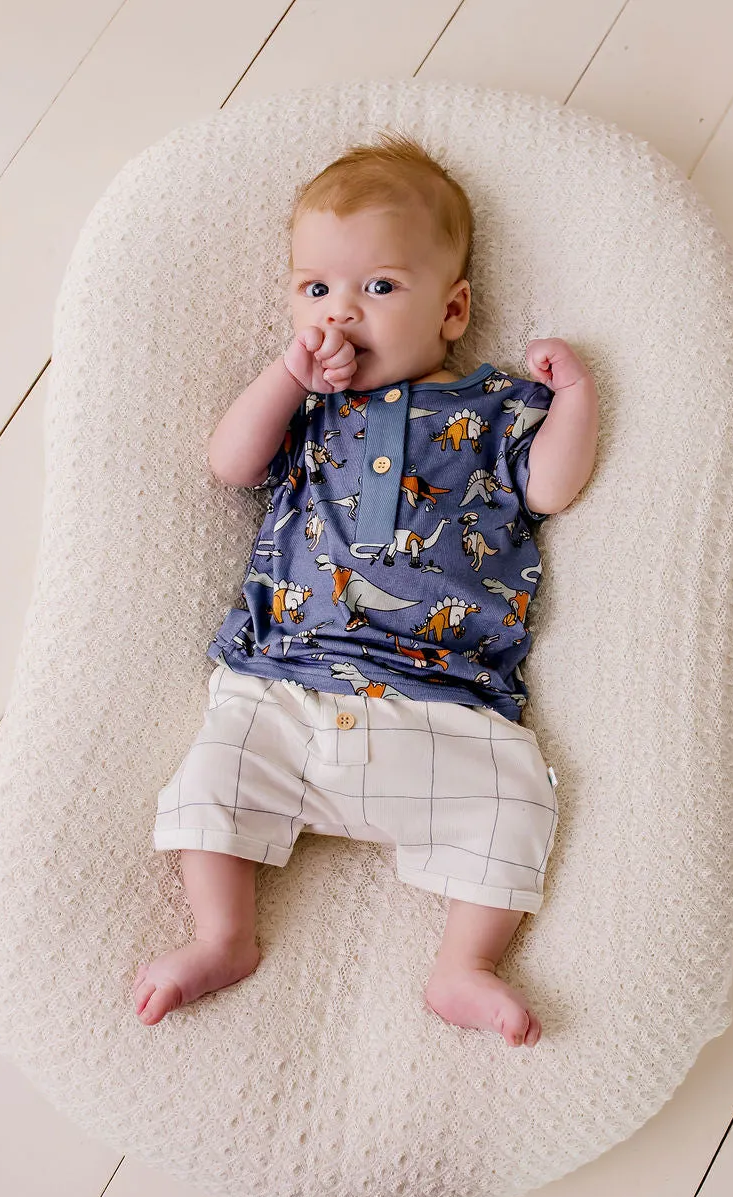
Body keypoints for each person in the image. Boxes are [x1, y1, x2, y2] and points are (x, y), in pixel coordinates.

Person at [135, 131, 598, 1046]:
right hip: (287, 683)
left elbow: (548, 488)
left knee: (519, 801)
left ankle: (463, 966)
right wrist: (284, 376)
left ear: (454, 308)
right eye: (317, 290)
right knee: (212, 779)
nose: (340, 314)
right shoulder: (306, 403)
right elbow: (230, 465)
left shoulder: (498, 408)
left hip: (446, 701)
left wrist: (575, 398)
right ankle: (222, 936)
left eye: (378, 287)